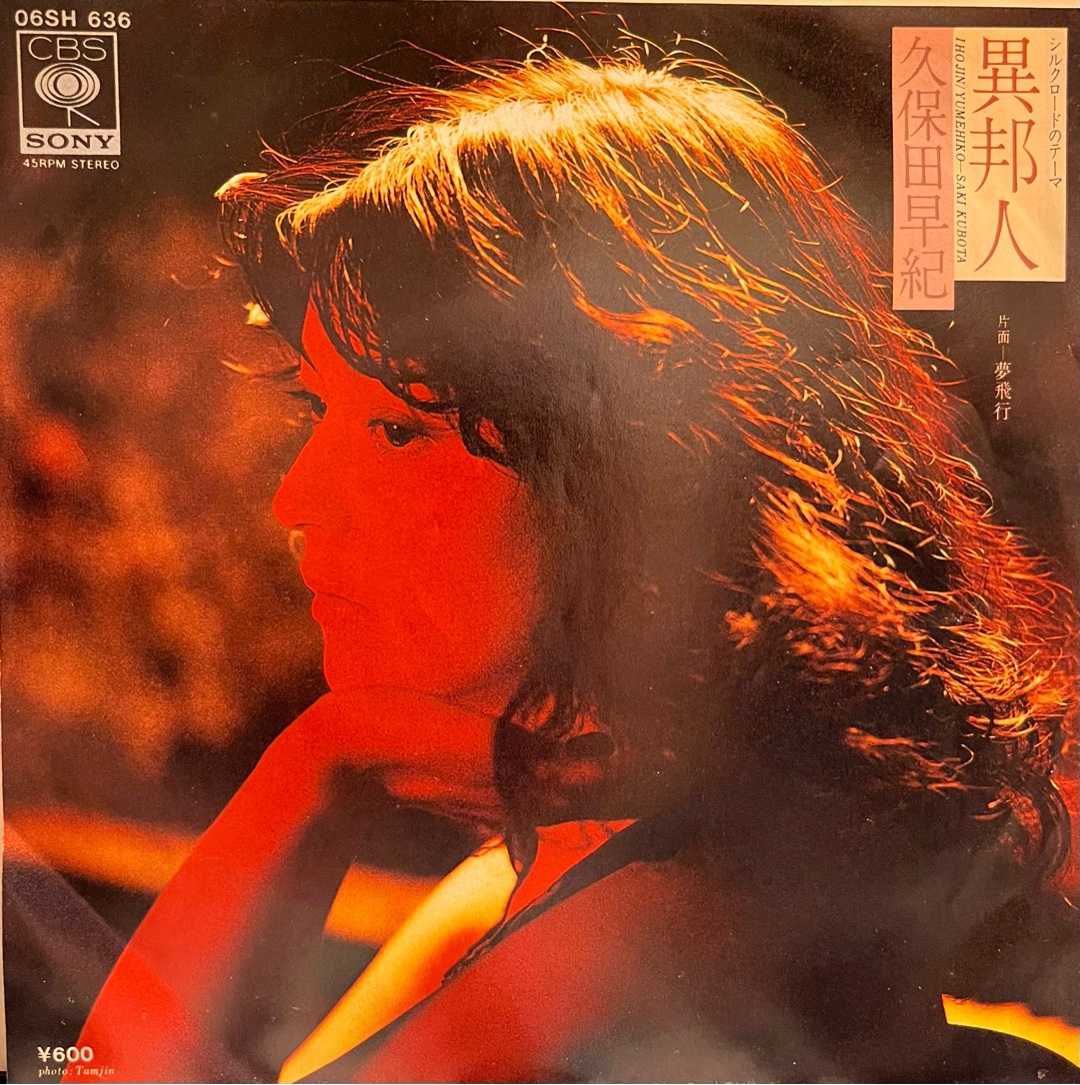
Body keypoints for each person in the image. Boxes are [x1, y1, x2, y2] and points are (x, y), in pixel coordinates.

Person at [69, 50, 1078, 1083]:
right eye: (317, 409)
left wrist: (318, 771)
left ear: (630, 475)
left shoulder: (630, 943)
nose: (296, 497)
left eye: (399, 428)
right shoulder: (527, 899)